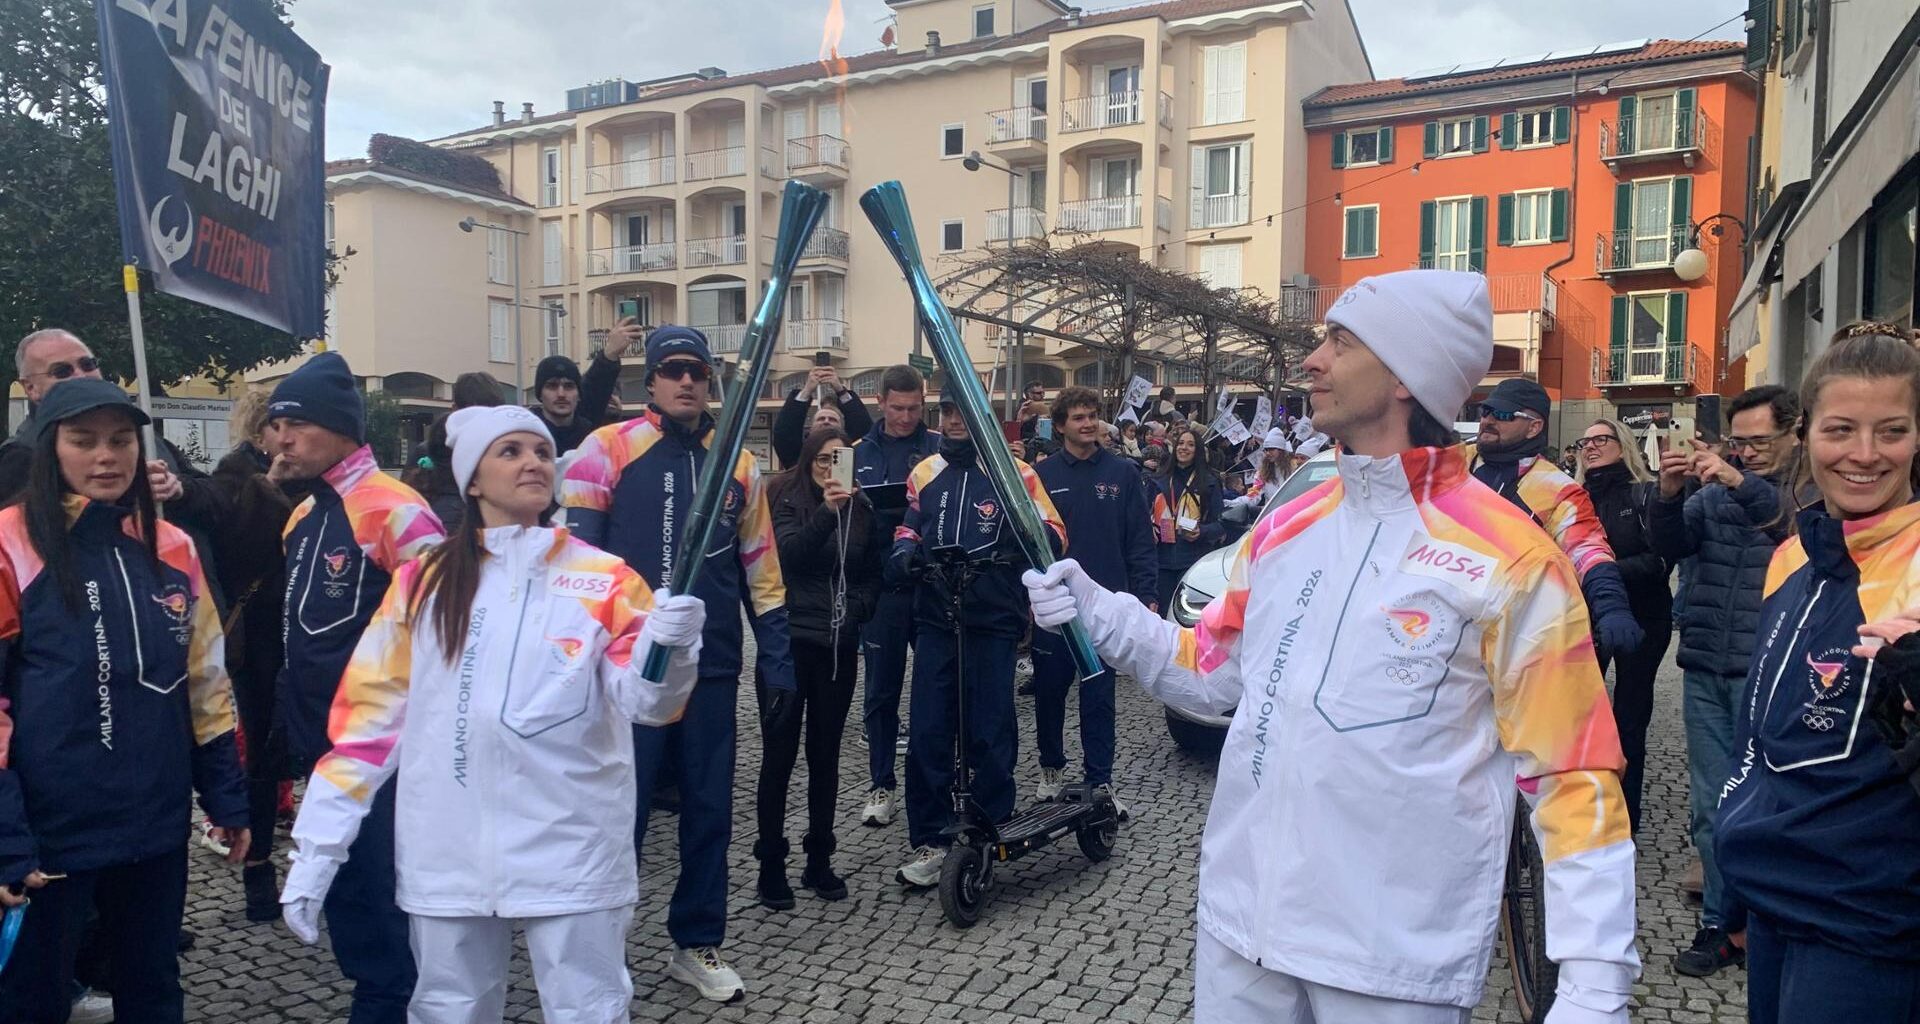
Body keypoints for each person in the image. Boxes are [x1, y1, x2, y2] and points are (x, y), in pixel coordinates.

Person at [1024, 270, 1638, 1023]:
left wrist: (1593, 983)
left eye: (1339, 343)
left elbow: (1573, 773)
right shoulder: (1290, 524)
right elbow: (1210, 674)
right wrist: (1096, 609)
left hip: (1389, 963)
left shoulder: (1510, 559)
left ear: (1407, 376)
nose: (1311, 361)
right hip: (1241, 928)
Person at [282, 404, 707, 1024]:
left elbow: (649, 704)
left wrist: (670, 650)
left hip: (571, 844)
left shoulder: (607, 579)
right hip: (446, 848)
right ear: (472, 481)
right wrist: (319, 847)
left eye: (539, 451)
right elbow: (365, 729)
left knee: (589, 1010)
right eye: (509, 451)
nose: (532, 462)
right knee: (450, 1011)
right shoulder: (422, 583)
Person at [0, 379, 249, 1024]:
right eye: (84, 441)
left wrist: (225, 796)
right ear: (50, 448)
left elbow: (207, 684)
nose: (105, 457)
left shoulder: (172, 547)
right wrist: (6, 833)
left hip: (154, 823)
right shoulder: (9, 543)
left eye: (120, 441)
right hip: (51, 831)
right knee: (33, 997)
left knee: (154, 992)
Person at [561, 325, 795, 1003]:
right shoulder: (603, 450)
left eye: (697, 370)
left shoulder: (739, 466)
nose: (687, 380)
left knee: (708, 811)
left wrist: (777, 659)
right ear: (651, 380)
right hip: (627, 677)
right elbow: (576, 570)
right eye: (673, 369)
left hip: (712, 668)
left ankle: (696, 941)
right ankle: (601, 951)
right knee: (618, 815)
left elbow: (765, 573)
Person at [1715, 322, 1920, 1023]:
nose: (1864, 455)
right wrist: (1737, 888)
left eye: (1891, 431)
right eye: (1842, 430)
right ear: (1807, 437)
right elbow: (1758, 742)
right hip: (1776, 907)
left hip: (1874, 931)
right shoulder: (1790, 560)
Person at [270, 352, 447, 1024]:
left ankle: (392, 1002)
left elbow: (441, 634)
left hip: (384, 755)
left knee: (380, 901)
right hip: (320, 747)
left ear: (341, 427)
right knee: (348, 896)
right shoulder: (302, 515)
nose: (282, 437)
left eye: (297, 423)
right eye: (276, 424)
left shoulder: (396, 510)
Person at [1648, 384, 1800, 978]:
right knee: (1711, 808)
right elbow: (1671, 547)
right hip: (1708, 666)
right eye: (1739, 443)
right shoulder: (1710, 498)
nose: (1747, 452)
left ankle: (1771, 923)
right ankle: (1720, 923)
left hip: (1775, 674)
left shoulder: (1809, 494)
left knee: (1774, 806)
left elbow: (1794, 532)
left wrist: (1738, 481)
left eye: (1759, 442)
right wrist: (1667, 494)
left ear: (1794, 433)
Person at [889, 399, 1065, 888]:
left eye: (962, 414)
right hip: (936, 617)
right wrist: (904, 551)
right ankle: (930, 837)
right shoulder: (925, 471)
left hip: (993, 617)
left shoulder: (1018, 473)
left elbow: (1055, 531)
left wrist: (1023, 543)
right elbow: (909, 524)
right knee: (927, 731)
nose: (952, 422)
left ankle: (989, 828)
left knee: (989, 728)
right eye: (945, 413)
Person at [755, 427, 884, 909]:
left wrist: (860, 609)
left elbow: (873, 570)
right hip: (787, 646)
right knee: (779, 758)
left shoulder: (863, 509)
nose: (832, 469)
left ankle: (819, 858)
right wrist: (827, 514)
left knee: (825, 756)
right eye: (823, 460)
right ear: (808, 460)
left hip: (837, 645)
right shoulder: (783, 499)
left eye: (840, 459)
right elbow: (787, 557)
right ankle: (770, 864)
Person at [209, 389, 311, 922]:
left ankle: (321, 865)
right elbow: (237, 550)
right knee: (265, 754)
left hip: (303, 629)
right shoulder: (235, 479)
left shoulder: (311, 479)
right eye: (279, 427)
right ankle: (258, 873)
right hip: (259, 636)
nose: (288, 439)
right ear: (259, 433)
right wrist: (267, 493)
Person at [1030, 387, 1154, 813]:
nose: (1088, 424)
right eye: (1078, 417)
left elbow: (1140, 538)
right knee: (1049, 693)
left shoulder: (1122, 473)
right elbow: (1030, 544)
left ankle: (1100, 781)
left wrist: (1145, 595)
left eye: (1093, 416)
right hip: (1055, 610)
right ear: (1060, 424)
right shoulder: (1042, 476)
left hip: (1105, 609)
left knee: (1099, 699)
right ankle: (1051, 767)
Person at [1469, 378, 1645, 659]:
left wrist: (1612, 607)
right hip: (1441, 621)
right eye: (1485, 412)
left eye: (1502, 414)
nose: (1488, 420)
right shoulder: (1450, 464)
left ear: (1534, 427)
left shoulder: (1557, 488)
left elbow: (1588, 549)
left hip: (1508, 632)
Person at [849, 365, 941, 828]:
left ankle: (932, 780)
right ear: (881, 403)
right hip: (879, 589)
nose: (906, 417)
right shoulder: (858, 453)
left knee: (934, 689)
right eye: (897, 408)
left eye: (914, 408)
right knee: (881, 692)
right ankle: (881, 784)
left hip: (927, 584)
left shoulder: (939, 450)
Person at [1573, 419, 1673, 834]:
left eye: (1602, 439)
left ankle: (1624, 819)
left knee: (1630, 721)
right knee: (1582, 719)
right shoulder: (1572, 498)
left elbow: (1661, 560)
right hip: (1587, 621)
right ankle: (1583, 811)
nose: (1591, 447)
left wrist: (1602, 570)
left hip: (1644, 619)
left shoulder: (1643, 492)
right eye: (1586, 441)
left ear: (1623, 444)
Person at [529, 316, 636, 456]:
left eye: (568, 386)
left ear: (579, 393)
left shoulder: (590, 435)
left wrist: (610, 353)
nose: (561, 393)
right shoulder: (526, 433)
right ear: (540, 394)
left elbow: (596, 383)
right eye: (552, 386)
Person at [1152, 424, 1225, 611]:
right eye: (1181, 443)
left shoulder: (1209, 482)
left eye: (1191, 445)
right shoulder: (1158, 480)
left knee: (1188, 616)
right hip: (1162, 560)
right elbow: (1144, 515)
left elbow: (1222, 524)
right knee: (1163, 614)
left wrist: (1202, 532)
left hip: (1194, 560)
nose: (1184, 448)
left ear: (1198, 451)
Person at [772, 364, 874, 470]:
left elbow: (864, 427)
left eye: (832, 419)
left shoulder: (851, 452)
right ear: (810, 429)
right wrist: (807, 390)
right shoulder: (799, 455)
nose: (826, 421)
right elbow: (784, 433)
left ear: (842, 429)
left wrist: (840, 390)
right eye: (821, 418)